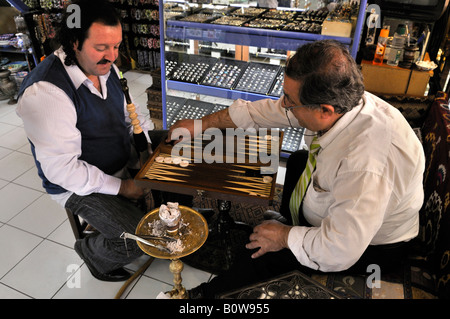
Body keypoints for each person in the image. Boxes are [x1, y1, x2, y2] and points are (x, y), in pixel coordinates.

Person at [167, 40, 425, 298]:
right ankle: (293, 219)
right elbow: (263, 112)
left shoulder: (365, 166)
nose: (284, 105)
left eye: (290, 100)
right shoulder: (343, 102)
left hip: (374, 246)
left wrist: (284, 237)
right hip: (352, 212)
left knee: (263, 254)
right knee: (299, 160)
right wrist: (201, 124)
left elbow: (340, 249)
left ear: (324, 111)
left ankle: (199, 298)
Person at [16, 0, 152, 282]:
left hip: (115, 156)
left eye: (115, 46)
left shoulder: (107, 68)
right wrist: (124, 187)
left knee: (172, 147)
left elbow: (130, 116)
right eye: (102, 47)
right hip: (76, 183)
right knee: (139, 239)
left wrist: (148, 150)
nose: (112, 56)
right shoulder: (46, 91)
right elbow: (63, 171)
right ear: (75, 41)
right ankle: (91, 253)